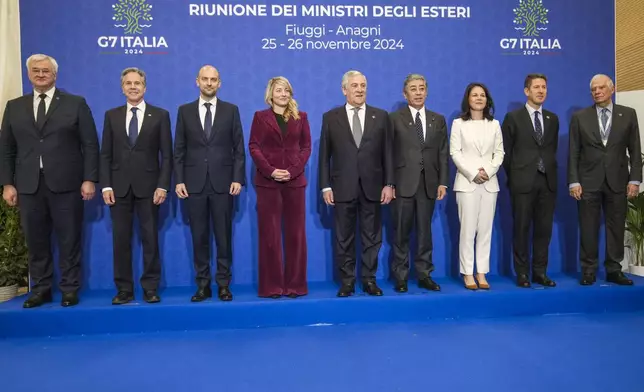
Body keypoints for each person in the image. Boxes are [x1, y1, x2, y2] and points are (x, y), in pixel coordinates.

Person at [0, 54, 99, 308]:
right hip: (28, 185)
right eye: (36, 70)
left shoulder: (75, 104)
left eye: (45, 70)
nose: (41, 74)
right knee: (36, 241)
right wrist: (8, 184)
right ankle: (41, 289)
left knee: (69, 239)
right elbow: (6, 149)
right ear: (29, 74)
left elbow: (89, 144)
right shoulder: (14, 106)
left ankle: (69, 289)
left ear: (55, 74)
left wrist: (90, 179)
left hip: (67, 184)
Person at [99, 67, 173, 305]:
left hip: (150, 189)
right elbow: (105, 155)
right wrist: (106, 186)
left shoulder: (160, 115)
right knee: (120, 241)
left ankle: (150, 288)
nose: (133, 87)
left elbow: (167, 156)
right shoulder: (111, 116)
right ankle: (124, 290)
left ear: (145, 87)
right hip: (118, 189)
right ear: (122, 88)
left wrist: (163, 186)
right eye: (128, 83)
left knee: (150, 239)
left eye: (137, 83)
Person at [318, 70, 394, 297]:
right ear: (344, 90)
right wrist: (325, 186)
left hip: (373, 187)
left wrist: (389, 183)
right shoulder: (331, 117)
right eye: (355, 86)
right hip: (342, 187)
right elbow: (324, 156)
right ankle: (347, 281)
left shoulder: (381, 116)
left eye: (363, 85)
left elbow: (388, 153)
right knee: (344, 237)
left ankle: (369, 280)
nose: (360, 90)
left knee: (372, 237)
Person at [174, 65, 245, 302]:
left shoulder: (231, 110)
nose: (209, 83)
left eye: (213, 79)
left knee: (223, 237)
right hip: (193, 184)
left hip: (224, 183)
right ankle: (202, 285)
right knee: (199, 236)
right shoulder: (184, 112)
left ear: (219, 83)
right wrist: (179, 180)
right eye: (205, 79)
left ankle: (224, 284)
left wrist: (237, 178)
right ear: (197, 82)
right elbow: (179, 150)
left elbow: (239, 149)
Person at [568, 74, 641, 286]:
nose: (597, 92)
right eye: (593, 89)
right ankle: (588, 270)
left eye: (601, 88)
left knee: (616, 226)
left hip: (618, 180)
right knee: (588, 227)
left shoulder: (628, 114)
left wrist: (635, 180)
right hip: (588, 181)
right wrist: (574, 181)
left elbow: (635, 150)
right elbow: (573, 152)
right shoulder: (580, 117)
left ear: (612, 89)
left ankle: (613, 269)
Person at [248, 76, 311, 298]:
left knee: (296, 235)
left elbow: (306, 147)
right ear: (270, 94)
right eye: (278, 90)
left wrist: (292, 171)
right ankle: (272, 287)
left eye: (286, 90)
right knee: (270, 236)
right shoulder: (260, 117)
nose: (283, 94)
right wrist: (271, 170)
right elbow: (254, 147)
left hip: (295, 182)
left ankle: (295, 286)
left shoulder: (301, 117)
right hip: (268, 183)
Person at [389, 74, 447, 293]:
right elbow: (388, 153)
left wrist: (442, 182)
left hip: (429, 184)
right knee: (401, 232)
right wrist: (390, 183)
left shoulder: (438, 119)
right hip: (403, 183)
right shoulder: (394, 118)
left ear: (427, 92)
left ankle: (424, 275)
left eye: (422, 88)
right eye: (413, 89)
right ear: (405, 94)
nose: (418, 92)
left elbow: (442, 153)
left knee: (425, 233)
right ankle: (401, 277)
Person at [501, 74, 559, 288]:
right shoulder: (513, 118)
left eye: (544, 87)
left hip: (548, 182)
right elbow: (505, 154)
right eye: (536, 87)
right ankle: (522, 273)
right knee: (521, 229)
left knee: (544, 230)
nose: (541, 91)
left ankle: (540, 272)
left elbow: (551, 150)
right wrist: (516, 176)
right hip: (522, 183)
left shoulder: (552, 119)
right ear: (527, 91)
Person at [450, 83, 504, 290]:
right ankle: (467, 273)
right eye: (475, 95)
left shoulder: (494, 124)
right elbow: (455, 152)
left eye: (482, 95)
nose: (479, 98)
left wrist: (488, 172)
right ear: (468, 99)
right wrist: (473, 174)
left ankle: (482, 272)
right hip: (467, 184)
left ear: (487, 100)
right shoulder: (458, 124)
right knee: (468, 230)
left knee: (485, 230)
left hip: (490, 184)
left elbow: (499, 153)